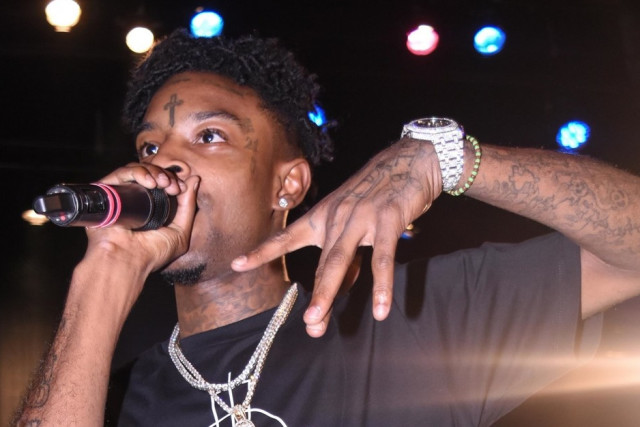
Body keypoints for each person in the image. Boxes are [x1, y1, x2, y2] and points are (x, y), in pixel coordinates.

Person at [13, 29, 640, 427]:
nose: (166, 163)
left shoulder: (410, 325)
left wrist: (445, 159)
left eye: (210, 136)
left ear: (287, 184)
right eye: (150, 147)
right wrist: (104, 273)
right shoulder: (109, 399)